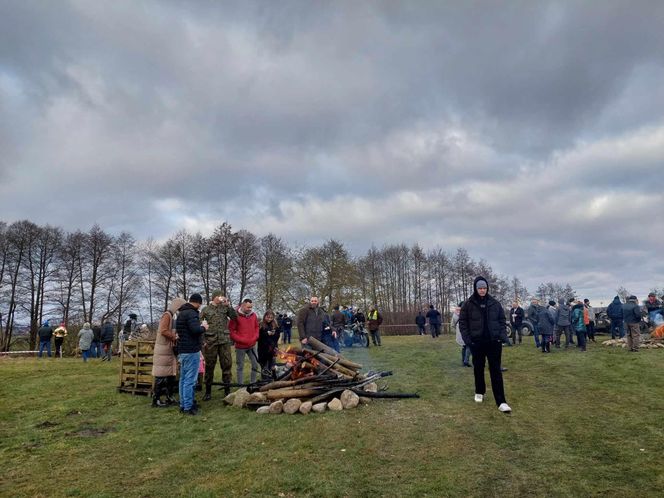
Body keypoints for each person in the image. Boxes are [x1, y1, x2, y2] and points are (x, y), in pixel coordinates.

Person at [459, 276, 511, 413]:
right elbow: (463, 324)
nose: (482, 290)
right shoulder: (468, 304)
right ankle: (479, 391)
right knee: (478, 368)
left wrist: (502, 336)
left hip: (494, 342)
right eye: (480, 288)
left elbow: (502, 320)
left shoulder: (495, 303)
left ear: (487, 288)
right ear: (476, 289)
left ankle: (501, 401)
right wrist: (468, 340)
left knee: (496, 371)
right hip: (477, 343)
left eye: (484, 288)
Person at [199, 290, 238, 400]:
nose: (221, 298)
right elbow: (198, 321)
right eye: (219, 296)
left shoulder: (224, 308)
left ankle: (227, 390)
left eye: (222, 295)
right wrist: (203, 334)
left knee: (226, 365)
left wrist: (228, 306)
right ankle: (208, 391)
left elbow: (235, 317)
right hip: (211, 342)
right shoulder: (206, 309)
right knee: (210, 366)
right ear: (214, 297)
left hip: (224, 341)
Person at [175, 293, 209, 415]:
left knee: (183, 379)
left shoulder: (181, 313)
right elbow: (195, 330)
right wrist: (204, 327)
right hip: (191, 350)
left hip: (182, 350)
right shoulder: (192, 313)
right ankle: (188, 407)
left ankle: (183, 404)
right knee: (190, 380)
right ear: (198, 302)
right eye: (200, 304)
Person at [152, 297, 185, 407]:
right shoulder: (167, 315)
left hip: (169, 350)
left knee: (171, 374)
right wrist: (174, 337)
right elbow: (163, 330)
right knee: (160, 375)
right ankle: (156, 399)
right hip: (163, 350)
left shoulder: (173, 316)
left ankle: (169, 396)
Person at [229, 298, 260, 385]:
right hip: (240, 346)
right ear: (242, 305)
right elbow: (231, 330)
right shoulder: (235, 316)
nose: (250, 309)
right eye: (248, 307)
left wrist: (255, 336)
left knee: (255, 364)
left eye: (251, 307)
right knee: (240, 366)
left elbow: (257, 327)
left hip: (252, 345)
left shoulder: (253, 315)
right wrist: (240, 339)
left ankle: (253, 383)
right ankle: (240, 386)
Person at [258, 310, 281, 379]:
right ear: (265, 316)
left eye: (271, 317)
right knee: (264, 366)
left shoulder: (275, 325)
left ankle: (272, 379)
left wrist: (274, 334)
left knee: (272, 365)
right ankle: (265, 380)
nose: (269, 319)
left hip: (272, 348)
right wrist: (266, 334)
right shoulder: (261, 325)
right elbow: (259, 336)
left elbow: (277, 335)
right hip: (263, 349)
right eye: (268, 317)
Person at [453, 302, 471, 367]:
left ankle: (464, 361)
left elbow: (453, 325)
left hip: (459, 332)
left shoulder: (455, 314)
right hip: (466, 332)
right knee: (469, 346)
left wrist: (457, 329)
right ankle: (466, 361)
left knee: (464, 347)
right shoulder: (466, 312)